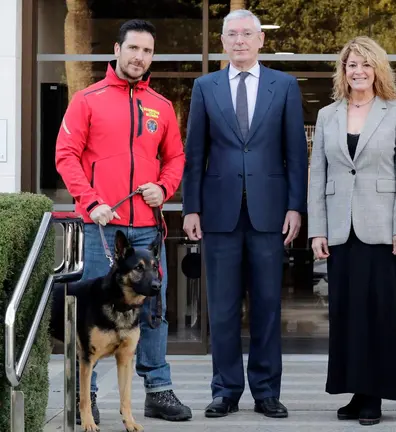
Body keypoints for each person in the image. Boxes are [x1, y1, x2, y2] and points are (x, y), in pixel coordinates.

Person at [55, 19, 192, 423]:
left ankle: (159, 391)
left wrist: (164, 188)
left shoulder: (162, 107)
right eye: (133, 48)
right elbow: (66, 154)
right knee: (93, 313)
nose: (139, 57)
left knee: (153, 313)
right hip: (102, 228)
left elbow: (176, 158)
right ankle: (88, 396)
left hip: (146, 228)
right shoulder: (87, 99)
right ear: (117, 50)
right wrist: (90, 200)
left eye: (147, 51)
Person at [181, 8, 307, 419]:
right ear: (222, 41)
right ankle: (226, 390)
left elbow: (295, 154)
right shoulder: (205, 87)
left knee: (269, 304)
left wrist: (295, 206)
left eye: (246, 34)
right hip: (218, 215)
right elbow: (195, 153)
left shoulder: (284, 86)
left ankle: (267, 391)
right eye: (231, 34)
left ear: (260, 41)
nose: (239, 41)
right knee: (222, 307)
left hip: (270, 214)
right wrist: (191, 208)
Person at [307, 36, 396, 427]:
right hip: (339, 229)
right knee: (346, 312)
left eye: (365, 64)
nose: (358, 71)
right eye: (352, 64)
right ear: (343, 70)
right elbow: (316, 174)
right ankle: (354, 389)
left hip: (382, 228)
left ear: (377, 69)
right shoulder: (327, 115)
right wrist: (316, 230)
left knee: (378, 312)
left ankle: (374, 394)